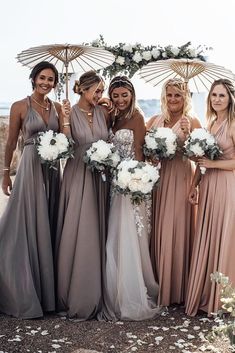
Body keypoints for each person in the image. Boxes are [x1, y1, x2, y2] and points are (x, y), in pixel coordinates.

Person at [0, 61, 69, 319]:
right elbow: (10, 144)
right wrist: (6, 174)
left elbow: (65, 137)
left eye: (51, 80)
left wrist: (67, 117)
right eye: (42, 78)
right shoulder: (20, 106)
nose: (46, 83)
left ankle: (46, 292)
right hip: (29, 167)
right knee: (26, 221)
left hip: (52, 169)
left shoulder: (58, 108)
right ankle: (20, 286)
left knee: (47, 220)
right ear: (33, 78)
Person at [99, 76, 160, 321]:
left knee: (128, 236)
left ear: (132, 95)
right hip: (113, 181)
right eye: (116, 95)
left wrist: (132, 182)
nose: (121, 99)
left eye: (125, 95)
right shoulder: (113, 116)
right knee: (114, 233)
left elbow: (138, 154)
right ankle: (113, 287)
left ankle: (130, 290)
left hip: (130, 182)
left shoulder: (137, 117)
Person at [55, 70, 110, 320]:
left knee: (97, 228)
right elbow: (65, 146)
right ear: (83, 89)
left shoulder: (103, 112)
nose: (99, 95)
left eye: (101, 91)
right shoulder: (68, 112)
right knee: (79, 228)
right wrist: (65, 119)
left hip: (99, 178)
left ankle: (97, 287)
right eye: (96, 91)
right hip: (77, 174)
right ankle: (74, 290)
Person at [146, 78, 201, 307]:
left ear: (185, 97)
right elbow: (145, 152)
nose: (173, 99)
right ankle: (160, 284)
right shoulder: (155, 120)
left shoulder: (194, 121)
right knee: (159, 228)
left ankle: (177, 288)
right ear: (164, 96)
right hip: (161, 179)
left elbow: (200, 158)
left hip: (182, 177)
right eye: (169, 95)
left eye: (178, 95)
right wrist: (153, 155)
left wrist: (188, 136)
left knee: (176, 229)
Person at [185, 79, 235, 317]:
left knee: (224, 236)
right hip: (209, 185)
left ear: (230, 99)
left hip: (227, 185)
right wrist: (195, 184)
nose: (216, 99)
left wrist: (213, 163)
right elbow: (202, 160)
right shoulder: (212, 124)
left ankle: (224, 297)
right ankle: (209, 292)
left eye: (222, 95)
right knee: (211, 234)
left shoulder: (233, 124)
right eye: (214, 95)